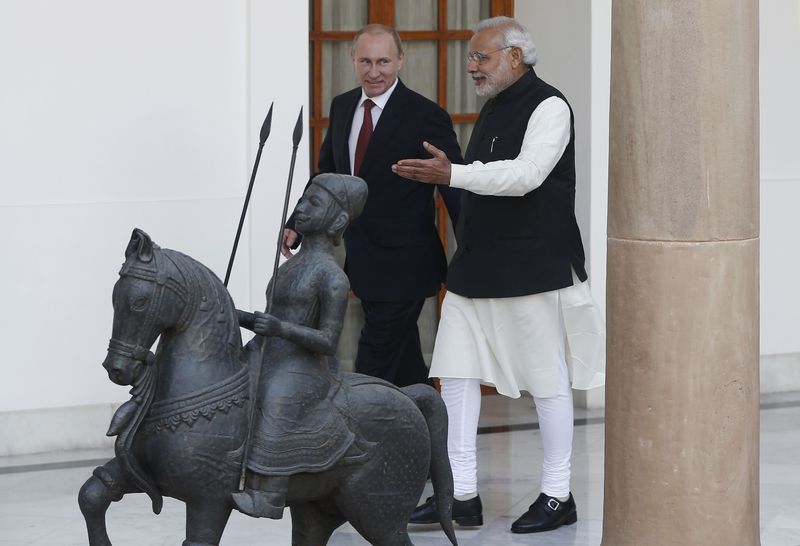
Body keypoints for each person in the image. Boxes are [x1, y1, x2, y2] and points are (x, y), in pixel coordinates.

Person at [392, 16, 605, 533]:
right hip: (477, 266)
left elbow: (527, 175)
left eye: (481, 57)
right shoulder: (494, 104)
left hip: (533, 268)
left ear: (515, 57)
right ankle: (461, 494)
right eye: (471, 57)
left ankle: (558, 495)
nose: (471, 66)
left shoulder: (550, 105)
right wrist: (455, 167)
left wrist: (454, 172)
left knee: (547, 381)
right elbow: (486, 177)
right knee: (457, 377)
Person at [282, 24, 463, 388]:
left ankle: (355, 438)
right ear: (353, 60)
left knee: (372, 361)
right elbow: (328, 173)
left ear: (400, 60)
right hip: (364, 261)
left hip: (407, 265)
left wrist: (474, 247)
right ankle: (426, 423)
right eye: (365, 61)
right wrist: (296, 223)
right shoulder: (344, 105)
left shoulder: (426, 115)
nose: (374, 71)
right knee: (406, 364)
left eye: (383, 61)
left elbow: (453, 185)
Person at [231, 173, 368, 519]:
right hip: (267, 352)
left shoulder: (331, 276)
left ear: (337, 220)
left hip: (301, 368)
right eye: (303, 201)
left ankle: (271, 493)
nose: (302, 209)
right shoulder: (290, 266)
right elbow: (271, 318)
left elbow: (328, 341)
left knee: (276, 398)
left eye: (313, 203)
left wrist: (280, 328)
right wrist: (235, 315)